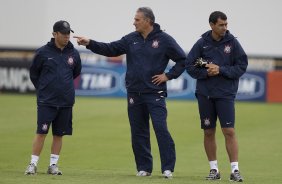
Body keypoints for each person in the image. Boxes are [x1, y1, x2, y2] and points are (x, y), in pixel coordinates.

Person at [74, 7, 186, 178]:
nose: (133, 22)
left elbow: (182, 60)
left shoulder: (164, 40)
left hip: (155, 93)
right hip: (134, 93)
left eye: (137, 19)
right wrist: (89, 42)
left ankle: (167, 168)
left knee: (160, 128)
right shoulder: (130, 39)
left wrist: (168, 76)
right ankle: (144, 168)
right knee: (138, 132)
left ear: (148, 21)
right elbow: (110, 49)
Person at [185, 11, 247, 182]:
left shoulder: (232, 43)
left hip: (225, 94)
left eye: (226, 24)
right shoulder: (202, 43)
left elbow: (242, 66)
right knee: (208, 131)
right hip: (205, 94)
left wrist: (221, 69)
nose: (225, 28)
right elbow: (189, 66)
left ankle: (235, 170)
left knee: (229, 131)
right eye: (221, 25)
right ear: (212, 25)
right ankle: (214, 170)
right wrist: (207, 73)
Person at [25, 20, 82, 175]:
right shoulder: (42, 52)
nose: (67, 36)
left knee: (59, 134)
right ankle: (32, 164)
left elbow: (75, 72)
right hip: (47, 101)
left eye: (68, 33)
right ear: (54, 34)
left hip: (66, 101)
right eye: (63, 34)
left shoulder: (74, 53)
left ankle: (53, 165)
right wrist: (44, 89)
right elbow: (34, 74)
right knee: (41, 132)